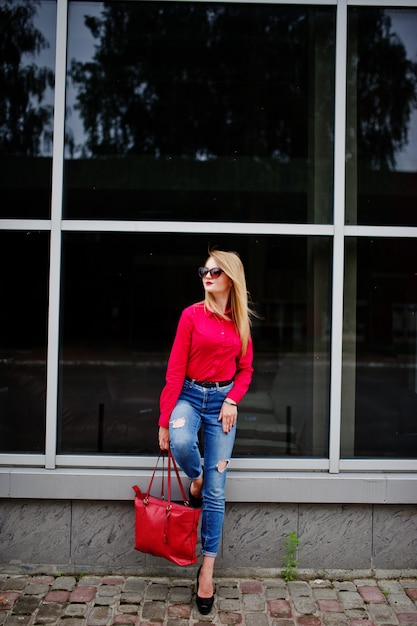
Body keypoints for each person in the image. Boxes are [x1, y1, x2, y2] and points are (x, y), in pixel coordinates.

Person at [158, 248, 254, 615]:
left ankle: (207, 571)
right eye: (204, 270)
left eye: (215, 271)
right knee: (182, 443)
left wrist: (232, 400)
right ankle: (194, 482)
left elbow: (245, 369)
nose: (207, 275)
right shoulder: (191, 316)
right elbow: (174, 370)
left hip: (222, 405)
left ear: (230, 278)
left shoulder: (240, 322)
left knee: (217, 489)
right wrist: (165, 420)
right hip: (189, 396)